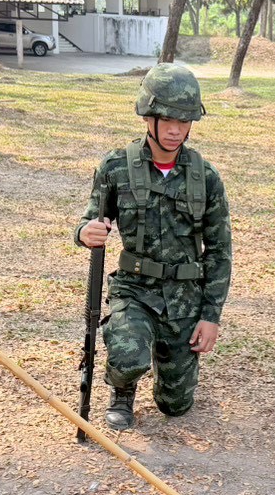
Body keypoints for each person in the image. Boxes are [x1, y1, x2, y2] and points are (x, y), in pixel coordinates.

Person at [75, 63, 232, 430]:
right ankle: (123, 390)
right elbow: (87, 221)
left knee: (175, 406)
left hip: (184, 297)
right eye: (166, 118)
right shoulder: (116, 167)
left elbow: (221, 251)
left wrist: (210, 315)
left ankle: (170, 363)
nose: (176, 129)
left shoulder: (206, 178)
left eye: (184, 120)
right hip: (135, 288)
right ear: (148, 116)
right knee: (129, 358)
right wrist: (87, 232)